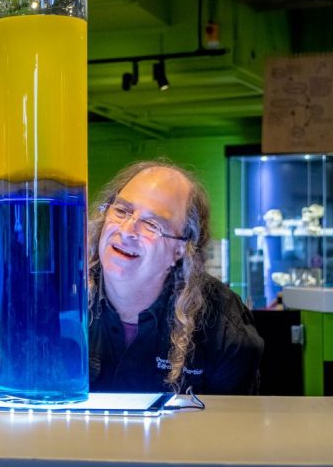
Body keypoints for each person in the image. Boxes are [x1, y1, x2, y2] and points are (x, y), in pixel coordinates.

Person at [88, 159, 264, 394]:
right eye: (122, 211)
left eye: (152, 224)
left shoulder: (221, 325)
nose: (127, 230)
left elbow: (235, 426)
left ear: (181, 248)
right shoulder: (56, 300)